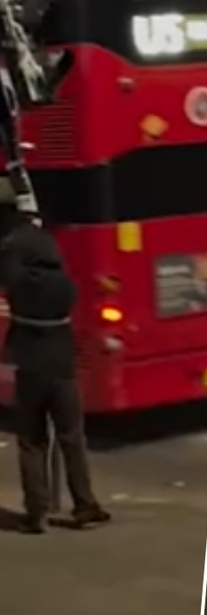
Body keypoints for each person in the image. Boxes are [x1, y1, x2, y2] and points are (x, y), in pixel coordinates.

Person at [0, 213, 110, 532]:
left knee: (32, 440)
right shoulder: (64, 285)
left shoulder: (20, 284)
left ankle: (36, 511)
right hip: (63, 367)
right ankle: (85, 505)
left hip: (31, 367)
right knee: (71, 437)